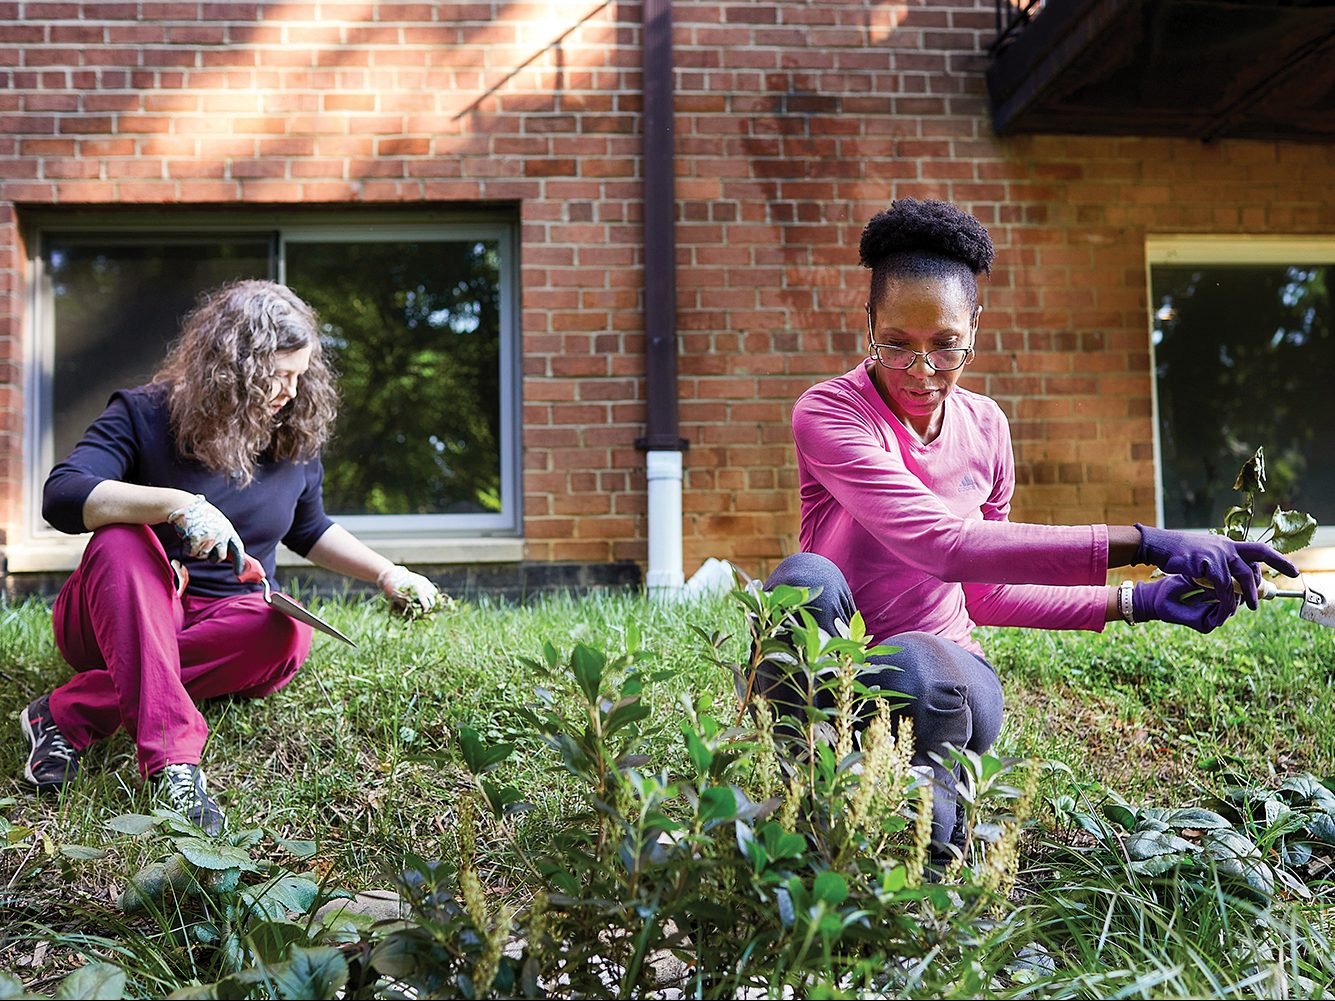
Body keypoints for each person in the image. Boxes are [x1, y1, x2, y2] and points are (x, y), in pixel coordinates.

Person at [757, 197, 1299, 863]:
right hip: (837, 669)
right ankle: (801, 821)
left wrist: (1138, 599)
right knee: (800, 581)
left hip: (943, 683)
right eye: (895, 343)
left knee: (923, 662)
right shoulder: (831, 412)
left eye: (944, 346)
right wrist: (1147, 540)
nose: (920, 372)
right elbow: (940, 543)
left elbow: (984, 589)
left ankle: (932, 876)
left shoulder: (985, 429)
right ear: (867, 324)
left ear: (974, 328)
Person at [20, 279, 444, 835]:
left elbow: (309, 527)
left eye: (301, 375)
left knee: (286, 630)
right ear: (233, 369)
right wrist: (173, 506)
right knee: (122, 539)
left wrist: (388, 573)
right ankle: (173, 761)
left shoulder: (290, 439)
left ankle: (67, 710)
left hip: (221, 621)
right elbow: (63, 494)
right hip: (117, 614)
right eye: (279, 376)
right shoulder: (144, 413)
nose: (292, 393)